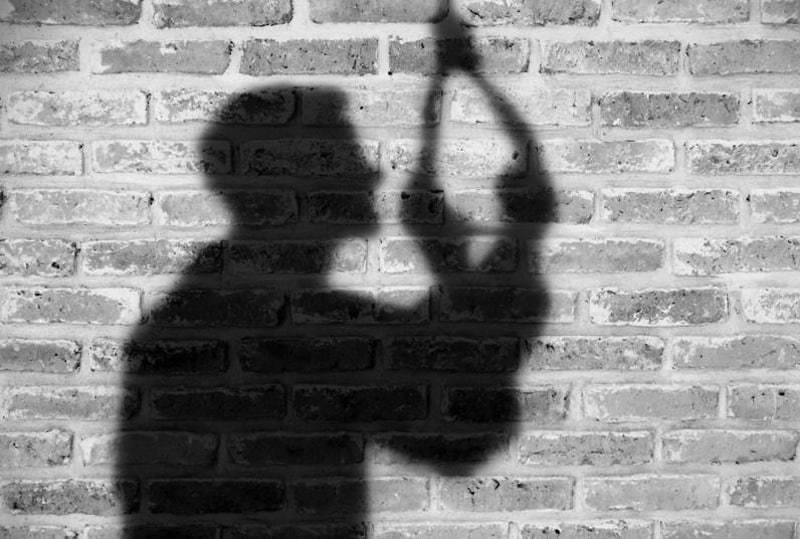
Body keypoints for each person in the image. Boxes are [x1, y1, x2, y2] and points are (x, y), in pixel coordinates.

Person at [116, 14, 552, 535]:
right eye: (350, 154)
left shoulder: (212, 312)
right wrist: (500, 248)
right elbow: (465, 435)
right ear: (295, 186)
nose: (373, 171)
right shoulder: (299, 327)